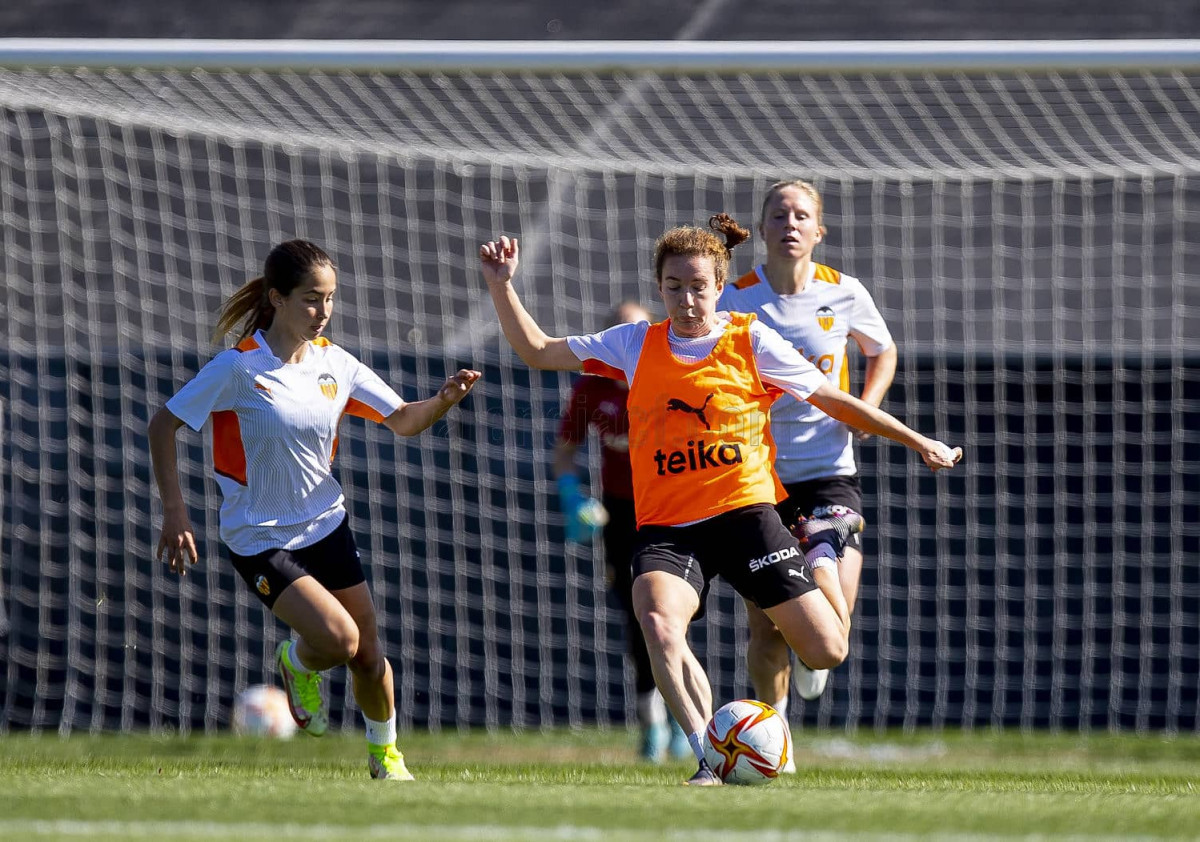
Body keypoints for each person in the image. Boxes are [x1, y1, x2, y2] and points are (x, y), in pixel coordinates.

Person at [480, 217, 961, 785]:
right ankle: (708, 757)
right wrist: (501, 284)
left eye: (698, 287)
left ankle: (821, 548)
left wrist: (917, 440)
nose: (687, 300)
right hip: (668, 527)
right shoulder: (634, 343)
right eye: (674, 287)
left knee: (827, 651)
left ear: (719, 286)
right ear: (659, 288)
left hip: (746, 516)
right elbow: (538, 350)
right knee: (657, 621)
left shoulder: (750, 339)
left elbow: (833, 399)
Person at [148, 239, 480, 781]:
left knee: (367, 652)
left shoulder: (336, 364)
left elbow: (403, 419)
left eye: (329, 298)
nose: (322, 310)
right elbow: (163, 424)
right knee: (340, 640)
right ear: (277, 299)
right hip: (260, 538)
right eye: (310, 298)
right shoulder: (238, 367)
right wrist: (174, 510)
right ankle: (298, 663)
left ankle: (386, 757)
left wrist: (443, 400)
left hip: (326, 525)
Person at [718, 179, 896, 765]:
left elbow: (882, 349)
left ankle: (814, 653)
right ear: (762, 228)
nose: (789, 224)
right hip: (759, 479)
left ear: (819, 230)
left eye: (801, 216)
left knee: (832, 618)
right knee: (766, 626)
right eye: (778, 214)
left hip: (829, 474)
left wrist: (866, 405)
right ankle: (777, 745)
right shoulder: (735, 298)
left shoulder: (844, 291)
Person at [553, 300, 689, 763]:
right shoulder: (591, 387)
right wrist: (573, 496)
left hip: (673, 510)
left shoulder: (670, 376)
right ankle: (653, 723)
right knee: (639, 618)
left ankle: (682, 718)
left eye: (637, 330)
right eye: (618, 332)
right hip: (623, 514)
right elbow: (564, 451)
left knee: (676, 616)